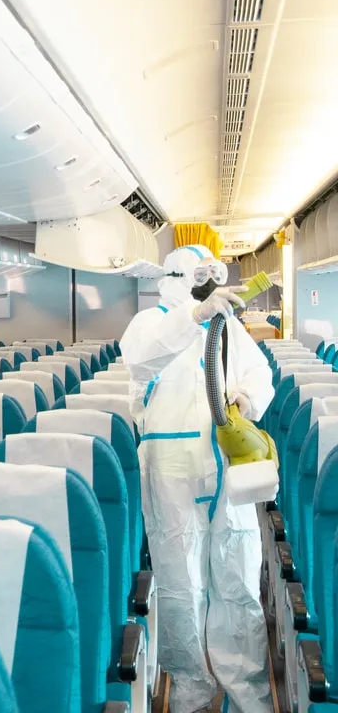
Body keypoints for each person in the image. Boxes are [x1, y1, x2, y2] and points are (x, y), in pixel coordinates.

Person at [120, 245, 274, 713]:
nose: (208, 282)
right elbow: (142, 361)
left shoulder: (225, 327)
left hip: (226, 463)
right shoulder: (150, 323)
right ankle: (190, 686)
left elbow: (260, 370)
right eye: (200, 275)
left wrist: (246, 399)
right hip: (171, 466)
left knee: (239, 574)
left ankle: (247, 688)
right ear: (178, 276)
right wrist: (193, 315)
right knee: (180, 578)